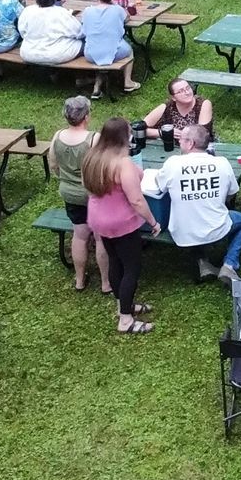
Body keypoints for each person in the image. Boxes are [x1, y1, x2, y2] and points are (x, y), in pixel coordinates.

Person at [82, 117, 159, 334]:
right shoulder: (123, 164)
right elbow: (136, 200)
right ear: (125, 137)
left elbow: (86, 187)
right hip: (121, 222)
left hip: (99, 219)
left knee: (115, 262)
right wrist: (153, 221)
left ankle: (122, 305)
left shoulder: (92, 157)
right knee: (132, 268)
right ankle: (126, 320)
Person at [152, 124, 241, 286]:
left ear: (190, 143)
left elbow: (159, 184)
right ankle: (229, 265)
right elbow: (232, 193)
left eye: (181, 139)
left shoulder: (173, 163)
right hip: (216, 228)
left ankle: (202, 263)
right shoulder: (222, 163)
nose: (179, 142)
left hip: (182, 232)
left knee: (190, 213)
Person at [48, 96, 109, 293]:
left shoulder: (57, 136)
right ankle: (106, 283)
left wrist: (65, 179)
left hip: (69, 192)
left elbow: (53, 164)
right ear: (87, 116)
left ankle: (80, 280)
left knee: (80, 235)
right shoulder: (94, 139)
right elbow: (103, 168)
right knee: (100, 238)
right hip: (92, 194)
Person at [80, 0, 137, 96]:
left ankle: (97, 85)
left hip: (90, 54)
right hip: (113, 51)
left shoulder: (87, 11)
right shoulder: (117, 10)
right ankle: (128, 81)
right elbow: (127, 18)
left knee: (99, 48)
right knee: (130, 51)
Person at [17, 0, 83, 65]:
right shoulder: (62, 12)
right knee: (84, 43)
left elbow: (22, 32)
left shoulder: (27, 11)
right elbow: (79, 32)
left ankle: (48, 72)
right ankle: (80, 75)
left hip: (29, 53)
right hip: (57, 55)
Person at [144, 75, 213, 140]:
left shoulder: (203, 104)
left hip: (199, 147)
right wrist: (164, 133)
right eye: (180, 91)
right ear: (173, 98)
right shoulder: (166, 107)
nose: (187, 92)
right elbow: (139, 128)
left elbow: (201, 133)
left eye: (188, 88)